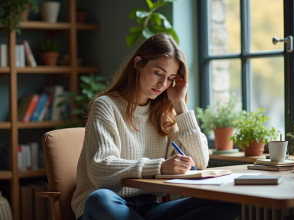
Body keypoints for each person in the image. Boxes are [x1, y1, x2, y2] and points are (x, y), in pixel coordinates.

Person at [71, 33, 241, 220]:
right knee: (100, 198)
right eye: (158, 73)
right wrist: (159, 167)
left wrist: (180, 106)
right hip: (106, 207)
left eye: (170, 78)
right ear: (138, 64)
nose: (163, 83)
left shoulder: (164, 113)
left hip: (149, 208)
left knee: (229, 199)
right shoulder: (105, 106)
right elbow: (100, 169)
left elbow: (200, 162)